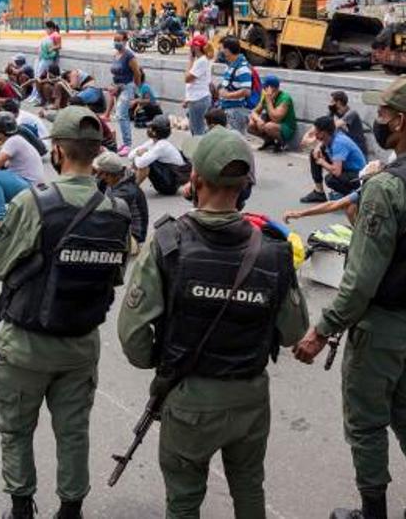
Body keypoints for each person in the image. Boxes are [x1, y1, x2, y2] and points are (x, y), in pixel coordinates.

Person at [294, 76, 406, 519]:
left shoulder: (386, 187)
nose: (376, 121)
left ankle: (372, 512)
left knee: (366, 422)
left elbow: (359, 281)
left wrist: (321, 331)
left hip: (382, 327)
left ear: (399, 121)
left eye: (381, 114)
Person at [117, 127, 309, 518]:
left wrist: (166, 358)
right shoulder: (274, 250)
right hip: (250, 397)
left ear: (195, 180)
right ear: (247, 186)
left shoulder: (168, 242)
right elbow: (292, 332)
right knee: (249, 487)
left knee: (185, 498)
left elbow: (133, 334)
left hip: (189, 399)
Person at [0, 105, 131, 519]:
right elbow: (114, 276)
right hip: (81, 343)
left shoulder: (35, 202)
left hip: (26, 345)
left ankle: (20, 508)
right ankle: (71, 510)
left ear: (58, 152)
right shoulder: (116, 211)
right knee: (73, 433)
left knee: (15, 431)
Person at [0, 112, 46, 229]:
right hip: (32, 187)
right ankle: (15, 210)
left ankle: (0, 217)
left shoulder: (13, 141)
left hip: (31, 187)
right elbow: (4, 166)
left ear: (0, 132)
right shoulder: (16, 140)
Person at [301, 116, 366, 202]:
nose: (315, 135)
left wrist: (322, 162)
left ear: (323, 133)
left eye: (316, 132)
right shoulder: (330, 136)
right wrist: (317, 148)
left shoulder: (339, 143)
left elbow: (336, 172)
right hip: (346, 168)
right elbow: (322, 142)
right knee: (314, 154)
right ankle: (319, 192)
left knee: (331, 179)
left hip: (359, 175)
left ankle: (355, 196)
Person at [93, 150, 147, 252]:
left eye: (99, 173)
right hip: (118, 229)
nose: (97, 175)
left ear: (108, 174)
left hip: (132, 238)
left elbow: (101, 214)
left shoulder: (125, 192)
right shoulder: (110, 180)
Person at [132, 115, 190, 196]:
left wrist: (139, 154)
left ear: (155, 131)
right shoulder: (153, 142)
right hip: (167, 179)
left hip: (170, 186)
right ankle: (131, 182)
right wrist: (138, 153)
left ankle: (132, 187)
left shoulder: (162, 145)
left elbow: (140, 163)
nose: (148, 130)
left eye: (150, 128)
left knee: (145, 162)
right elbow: (130, 155)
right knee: (143, 158)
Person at [109, 30, 143, 153]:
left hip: (127, 87)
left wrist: (136, 89)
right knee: (121, 115)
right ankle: (124, 143)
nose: (117, 42)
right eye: (115, 40)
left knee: (122, 114)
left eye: (119, 40)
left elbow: (137, 73)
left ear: (125, 41)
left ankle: (127, 144)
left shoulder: (129, 56)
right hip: (117, 87)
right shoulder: (115, 55)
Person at [246, 75, 296, 152]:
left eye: (265, 87)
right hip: (271, 124)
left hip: (286, 127)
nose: (263, 90)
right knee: (251, 125)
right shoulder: (265, 96)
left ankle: (281, 143)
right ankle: (269, 141)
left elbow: (275, 118)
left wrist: (269, 100)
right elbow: (254, 112)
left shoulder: (285, 98)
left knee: (269, 126)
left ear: (272, 88)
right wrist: (258, 120)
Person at [216, 36, 253, 135]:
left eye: (223, 48)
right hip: (227, 109)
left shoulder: (242, 68)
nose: (221, 51)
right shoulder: (232, 65)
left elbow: (246, 91)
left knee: (235, 141)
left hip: (236, 111)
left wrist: (227, 95)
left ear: (228, 50)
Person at [183, 34, 214, 136]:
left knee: (197, 131)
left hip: (199, 100)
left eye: (191, 47)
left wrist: (190, 60)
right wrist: (188, 98)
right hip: (197, 98)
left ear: (196, 47)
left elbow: (187, 78)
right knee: (196, 128)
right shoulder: (203, 61)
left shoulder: (201, 62)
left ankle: (200, 151)